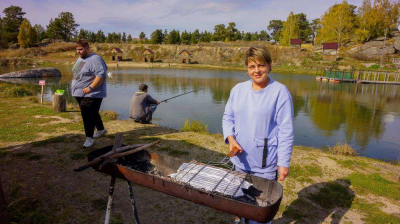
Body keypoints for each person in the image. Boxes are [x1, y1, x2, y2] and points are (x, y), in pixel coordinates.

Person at [222, 46, 294, 224]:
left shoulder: (280, 92)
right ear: (247, 69)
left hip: (264, 164)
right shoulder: (238, 90)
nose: (256, 71)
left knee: (259, 212)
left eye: (261, 65)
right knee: (240, 205)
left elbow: (286, 131)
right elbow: (227, 117)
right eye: (251, 67)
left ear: (270, 65)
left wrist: (283, 162)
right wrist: (230, 139)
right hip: (239, 160)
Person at [72, 39, 108, 148]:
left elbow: (101, 76)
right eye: (77, 50)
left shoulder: (95, 59)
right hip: (80, 93)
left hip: (92, 94)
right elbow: (77, 74)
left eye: (81, 49)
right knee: (92, 112)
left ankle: (89, 138)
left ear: (87, 48)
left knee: (87, 115)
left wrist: (90, 87)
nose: (78, 52)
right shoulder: (81, 59)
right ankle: (101, 129)